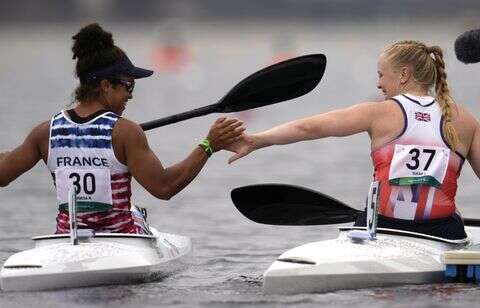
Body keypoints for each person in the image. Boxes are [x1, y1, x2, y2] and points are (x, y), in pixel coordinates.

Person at [0, 23, 244, 234]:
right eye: (128, 86)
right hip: (120, 240)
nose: (130, 95)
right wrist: (209, 145)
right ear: (106, 85)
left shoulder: (45, 133)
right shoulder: (125, 132)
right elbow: (164, 187)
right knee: (138, 213)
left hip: (65, 241)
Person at [228, 40, 480, 240]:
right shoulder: (466, 120)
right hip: (445, 233)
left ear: (404, 74)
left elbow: (308, 128)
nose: (378, 83)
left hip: (384, 228)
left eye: (382, 75)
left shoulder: (378, 112)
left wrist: (256, 140)